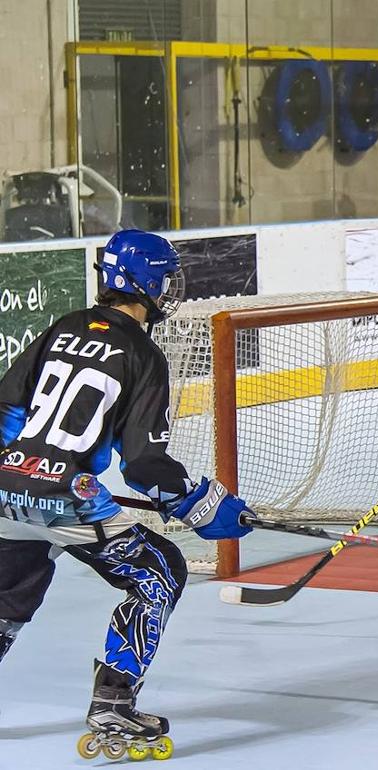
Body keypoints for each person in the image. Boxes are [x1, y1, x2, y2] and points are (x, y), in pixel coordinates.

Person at [0, 230, 253, 758]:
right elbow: (143, 464)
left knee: (9, 595)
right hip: (68, 501)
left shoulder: (62, 327)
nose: (168, 288)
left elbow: (6, 410)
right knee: (160, 572)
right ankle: (113, 704)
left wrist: (21, 471)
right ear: (145, 280)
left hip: (5, 489)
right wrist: (199, 502)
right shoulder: (142, 353)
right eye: (164, 277)